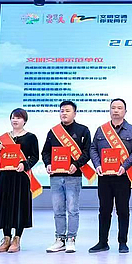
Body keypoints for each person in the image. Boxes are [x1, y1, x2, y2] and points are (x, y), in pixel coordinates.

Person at [88, 98, 132, 254]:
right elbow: (93, 148)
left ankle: (122, 242)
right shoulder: (101, 130)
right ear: (110, 110)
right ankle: (102, 242)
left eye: (119, 108)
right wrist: (97, 165)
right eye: (113, 107)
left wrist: (125, 166)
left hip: (123, 176)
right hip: (104, 177)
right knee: (104, 210)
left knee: (123, 210)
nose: (116, 110)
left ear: (125, 111)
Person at [42, 100, 92, 254]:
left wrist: (76, 164)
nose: (64, 113)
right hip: (56, 176)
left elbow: (87, 152)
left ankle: (71, 239)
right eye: (62, 110)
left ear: (74, 113)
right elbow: (45, 152)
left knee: (72, 209)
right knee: (58, 209)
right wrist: (48, 164)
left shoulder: (83, 130)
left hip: (73, 176)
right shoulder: (53, 132)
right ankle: (60, 239)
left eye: (67, 111)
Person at [0, 108, 39, 253]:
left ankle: (17, 238)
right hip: (5, 176)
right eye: (13, 117)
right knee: (5, 205)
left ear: (25, 120)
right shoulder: (5, 137)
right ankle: (6, 238)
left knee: (19, 206)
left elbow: (35, 157)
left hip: (21, 177)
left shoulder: (31, 137)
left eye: (18, 118)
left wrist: (24, 164)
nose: (15, 120)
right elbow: (1, 159)